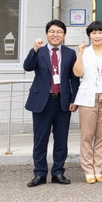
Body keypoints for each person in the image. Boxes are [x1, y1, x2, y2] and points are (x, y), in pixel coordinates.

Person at [23, 19, 80, 187]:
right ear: (47, 34)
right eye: (52, 32)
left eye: (59, 32)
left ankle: (58, 172)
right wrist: (34, 49)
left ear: (64, 35)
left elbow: (74, 79)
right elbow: (27, 67)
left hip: (62, 102)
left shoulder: (70, 53)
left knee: (61, 140)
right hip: (42, 101)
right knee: (40, 140)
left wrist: (74, 99)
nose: (56, 35)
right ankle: (39, 173)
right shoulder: (39, 51)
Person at [72, 21, 102, 184]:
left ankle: (98, 168)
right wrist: (80, 54)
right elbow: (77, 73)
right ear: (89, 35)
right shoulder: (84, 52)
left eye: (100, 33)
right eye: (93, 33)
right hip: (87, 97)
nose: (97, 36)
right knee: (87, 135)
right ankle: (88, 170)